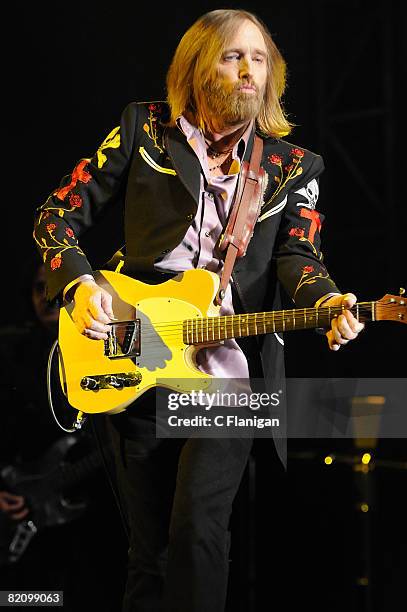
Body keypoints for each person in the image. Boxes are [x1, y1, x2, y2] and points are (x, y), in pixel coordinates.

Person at [32, 9, 364, 612]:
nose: (248, 71)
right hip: (135, 354)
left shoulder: (294, 167)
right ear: (197, 66)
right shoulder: (143, 128)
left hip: (230, 374)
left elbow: (298, 256)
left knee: (198, 532)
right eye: (232, 56)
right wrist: (81, 287)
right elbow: (58, 214)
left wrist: (328, 299)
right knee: (149, 555)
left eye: (259, 60)